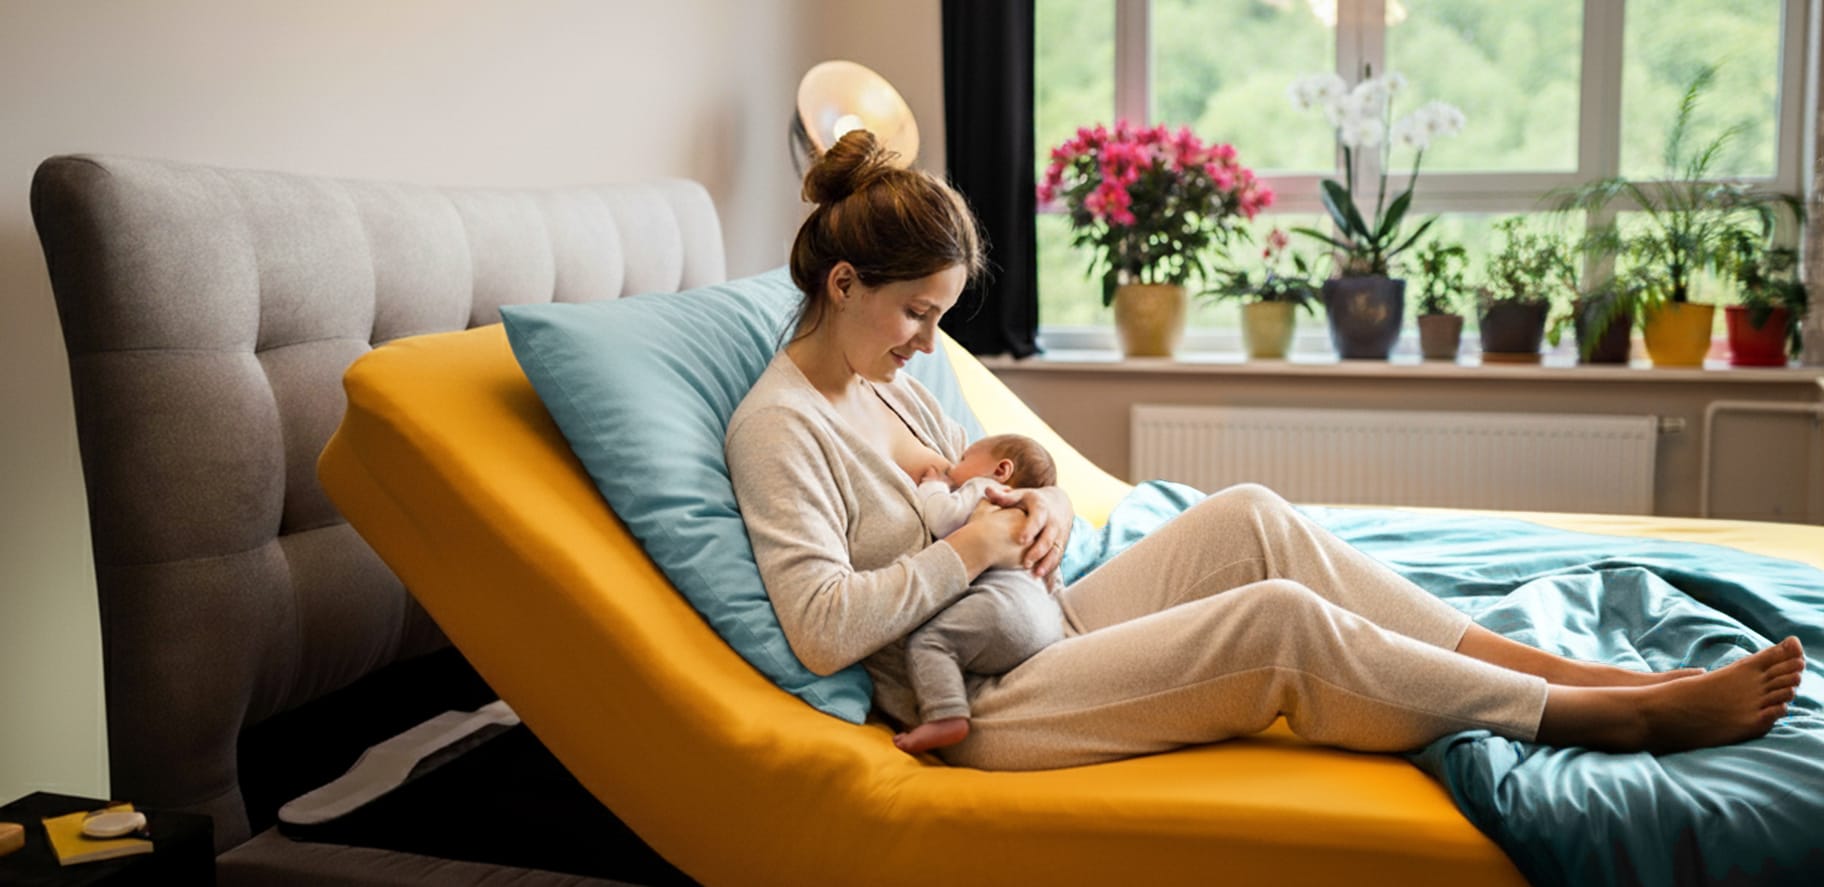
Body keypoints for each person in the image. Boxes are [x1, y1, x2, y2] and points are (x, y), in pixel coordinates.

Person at [724, 129, 1805, 771]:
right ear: (844, 283)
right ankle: (1604, 716)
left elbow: (990, 486)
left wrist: (1040, 514)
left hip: (1039, 615)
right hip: (979, 695)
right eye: (916, 313)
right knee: (1279, 624)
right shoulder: (781, 425)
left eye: (943, 319)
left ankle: (1569, 668)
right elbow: (822, 630)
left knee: (1252, 514)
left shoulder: (893, 383)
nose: (928, 343)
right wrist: (974, 549)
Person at [896, 434, 1066, 755]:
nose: (952, 466)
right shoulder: (1030, 516)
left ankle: (946, 714)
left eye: (962, 459)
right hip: (1047, 623)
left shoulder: (986, 490)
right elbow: (1051, 572)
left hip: (1004, 610)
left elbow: (943, 519)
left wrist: (933, 487)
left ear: (1001, 470)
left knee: (929, 642)